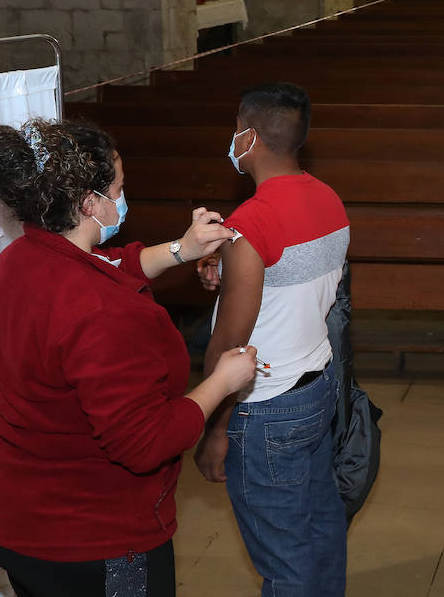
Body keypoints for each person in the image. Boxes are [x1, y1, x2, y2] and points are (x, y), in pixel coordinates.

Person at [0, 118, 258, 597]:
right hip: (90, 536)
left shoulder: (17, 261)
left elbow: (101, 268)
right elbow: (145, 443)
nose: (124, 198)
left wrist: (179, 251)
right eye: (119, 188)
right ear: (89, 203)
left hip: (12, 516)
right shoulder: (105, 314)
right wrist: (221, 382)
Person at [193, 83, 350, 596]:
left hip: (267, 405)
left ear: (251, 137)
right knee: (320, 529)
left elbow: (229, 347)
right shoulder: (328, 197)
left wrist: (216, 428)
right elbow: (297, 287)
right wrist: (231, 274)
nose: (233, 138)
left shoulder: (251, 223)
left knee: (284, 562)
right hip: (317, 385)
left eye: (237, 129)